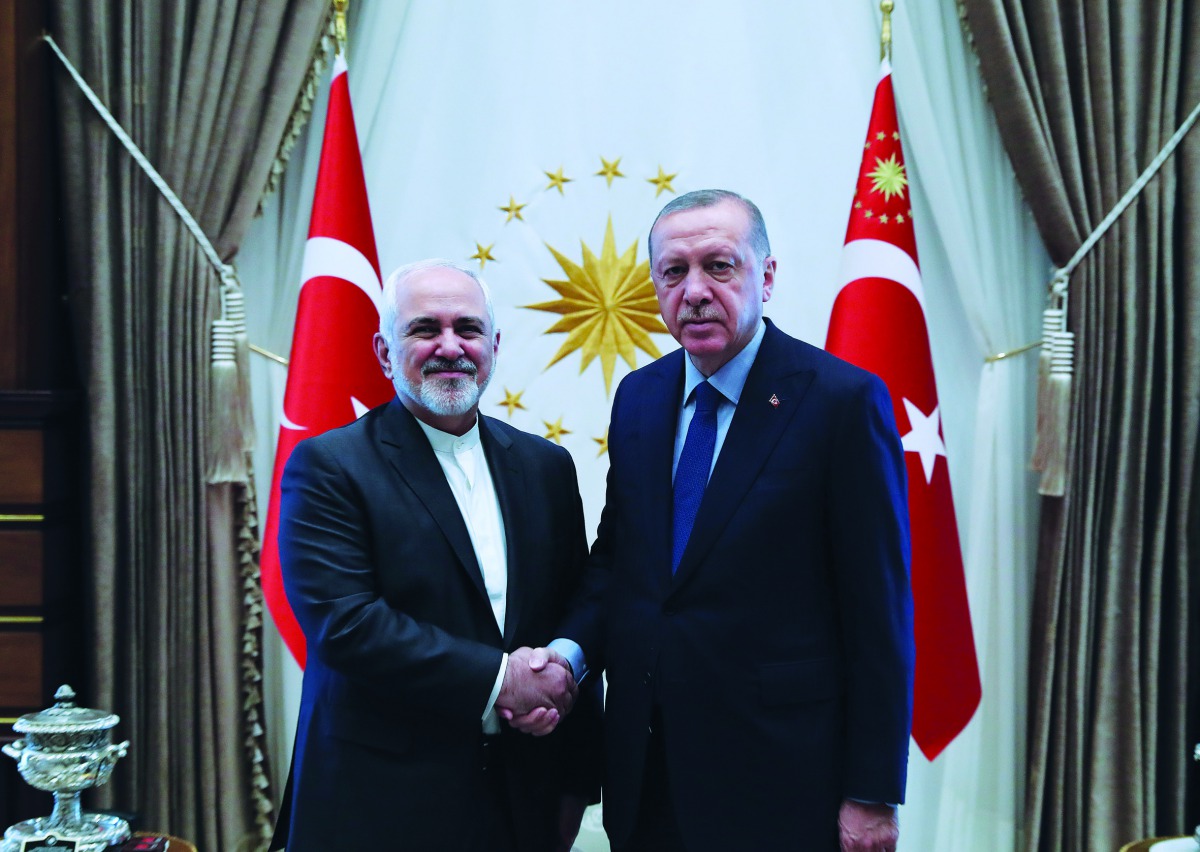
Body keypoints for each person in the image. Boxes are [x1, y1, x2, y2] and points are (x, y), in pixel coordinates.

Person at [523, 189, 915, 851]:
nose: (695, 291)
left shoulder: (840, 402)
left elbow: (879, 612)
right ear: (654, 285)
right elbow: (620, 561)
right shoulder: (640, 398)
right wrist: (567, 657)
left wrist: (871, 792)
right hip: (646, 777)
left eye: (719, 266)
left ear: (766, 276)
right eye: (674, 272)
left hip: (782, 782)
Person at [271, 259, 601, 851]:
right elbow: (346, 624)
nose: (451, 346)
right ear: (383, 351)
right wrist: (502, 681)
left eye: (468, 329)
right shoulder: (330, 465)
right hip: (380, 802)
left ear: (493, 346)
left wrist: (577, 781)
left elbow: (578, 605)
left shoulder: (546, 466)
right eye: (425, 329)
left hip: (524, 799)